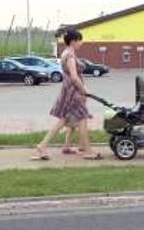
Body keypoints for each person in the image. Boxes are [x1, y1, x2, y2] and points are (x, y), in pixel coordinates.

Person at [31, 29, 100, 160]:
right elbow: (74, 77)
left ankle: (42, 146)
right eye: (80, 40)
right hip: (74, 93)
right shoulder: (69, 55)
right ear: (73, 41)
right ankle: (88, 151)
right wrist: (83, 90)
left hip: (69, 90)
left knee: (63, 120)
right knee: (82, 119)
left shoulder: (67, 53)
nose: (81, 43)